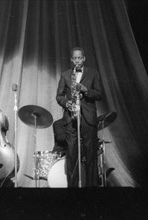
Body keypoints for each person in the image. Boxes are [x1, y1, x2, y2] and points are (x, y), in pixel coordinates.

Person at [56, 47, 102, 187]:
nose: (77, 60)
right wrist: (67, 103)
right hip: (71, 117)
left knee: (91, 154)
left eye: (79, 58)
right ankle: (73, 188)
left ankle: (91, 188)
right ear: (71, 59)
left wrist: (86, 90)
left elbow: (99, 94)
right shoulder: (65, 75)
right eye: (74, 58)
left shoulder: (93, 73)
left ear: (84, 58)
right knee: (71, 154)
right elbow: (59, 96)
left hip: (88, 117)